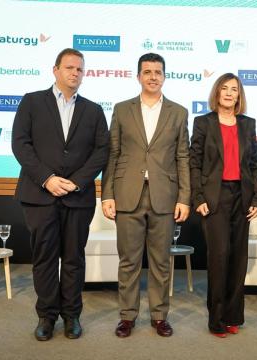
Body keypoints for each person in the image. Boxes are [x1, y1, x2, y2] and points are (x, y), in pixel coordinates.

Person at [12, 48, 109, 341]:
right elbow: (21, 144)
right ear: (55, 70)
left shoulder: (93, 110)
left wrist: (77, 182)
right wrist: (47, 178)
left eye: (80, 69)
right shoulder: (32, 102)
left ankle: (71, 316)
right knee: (44, 258)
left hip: (76, 198)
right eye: (69, 68)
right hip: (39, 195)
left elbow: (101, 150)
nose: (75, 73)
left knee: (73, 259)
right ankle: (46, 317)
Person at [101, 53, 190, 338]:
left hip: (165, 195)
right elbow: (113, 154)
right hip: (128, 194)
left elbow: (183, 157)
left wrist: (184, 197)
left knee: (161, 261)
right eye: (147, 71)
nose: (153, 76)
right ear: (138, 76)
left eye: (158, 72)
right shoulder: (121, 109)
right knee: (129, 260)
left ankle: (159, 316)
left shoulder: (178, 112)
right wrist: (107, 194)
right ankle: (127, 316)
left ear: (164, 76)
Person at [189, 73, 257, 338]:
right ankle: (216, 320)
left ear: (239, 95)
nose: (229, 93)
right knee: (219, 257)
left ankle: (233, 316)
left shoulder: (247, 124)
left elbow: (254, 165)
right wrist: (198, 198)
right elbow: (194, 163)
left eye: (234, 89)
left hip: (241, 197)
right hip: (214, 197)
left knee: (238, 259)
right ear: (217, 93)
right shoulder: (203, 123)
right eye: (224, 88)